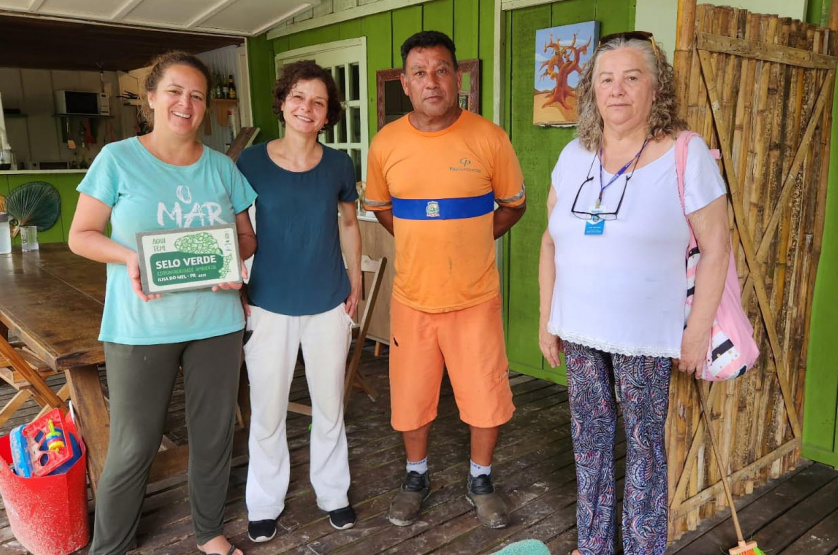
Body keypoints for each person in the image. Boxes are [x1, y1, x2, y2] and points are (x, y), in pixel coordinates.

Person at [538, 32, 730, 555]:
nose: (616, 90)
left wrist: (696, 333)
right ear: (593, 92)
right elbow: (550, 241)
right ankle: (594, 546)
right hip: (580, 330)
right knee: (589, 445)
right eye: (606, 79)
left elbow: (717, 248)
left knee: (645, 449)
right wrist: (547, 320)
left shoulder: (685, 153)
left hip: (645, 336)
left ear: (655, 88)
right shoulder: (574, 155)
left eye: (631, 77)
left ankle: (643, 548)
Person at [69, 51, 256, 555]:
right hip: (140, 325)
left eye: (197, 95)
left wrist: (230, 261)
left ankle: (209, 532)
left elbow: (246, 237)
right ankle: (110, 547)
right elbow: (81, 235)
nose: (185, 103)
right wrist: (128, 257)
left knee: (214, 435)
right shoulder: (117, 159)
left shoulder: (222, 168)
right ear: (151, 98)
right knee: (134, 444)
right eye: (174, 91)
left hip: (216, 321)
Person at [365, 30, 526, 529]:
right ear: (405, 84)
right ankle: (416, 476)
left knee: (485, 396)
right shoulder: (386, 143)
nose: (431, 81)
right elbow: (383, 209)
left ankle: (481, 480)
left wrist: (472, 237)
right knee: (411, 397)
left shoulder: (489, 137)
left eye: (441, 70)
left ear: (457, 78)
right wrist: (422, 237)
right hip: (412, 299)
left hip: (474, 298)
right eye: (419, 72)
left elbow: (513, 206)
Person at [237, 60, 361, 541]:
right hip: (268, 302)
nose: (306, 108)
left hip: (328, 301)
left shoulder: (339, 165)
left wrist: (356, 281)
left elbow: (348, 224)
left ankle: (334, 493)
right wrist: (238, 283)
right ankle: (264, 501)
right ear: (283, 102)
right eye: (298, 97)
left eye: (318, 102)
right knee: (267, 410)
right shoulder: (249, 162)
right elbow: (236, 229)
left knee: (330, 407)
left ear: (328, 114)